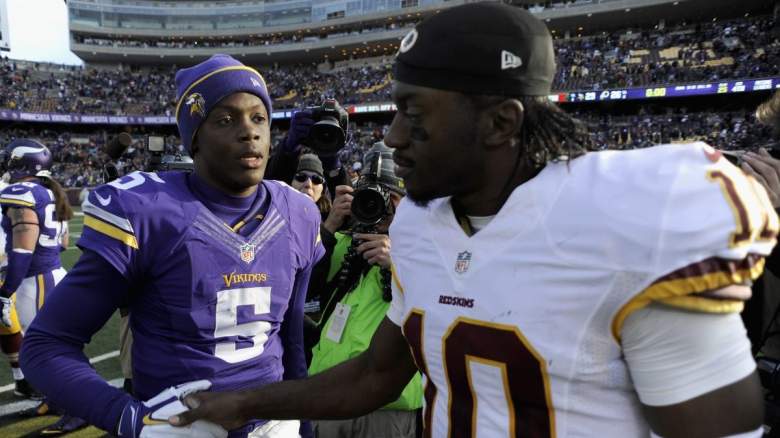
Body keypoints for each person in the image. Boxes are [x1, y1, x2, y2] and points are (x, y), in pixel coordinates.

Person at [171, 5, 770, 438]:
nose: (393, 137)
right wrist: (244, 401)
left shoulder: (624, 219)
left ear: (499, 124)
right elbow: (374, 376)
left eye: (414, 113)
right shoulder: (419, 227)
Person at [20, 54, 323, 438]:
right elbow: (46, 345)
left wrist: (306, 426)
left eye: (258, 117)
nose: (250, 132)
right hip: (180, 426)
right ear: (193, 138)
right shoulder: (150, 211)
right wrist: (131, 419)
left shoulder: (298, 213)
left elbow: (291, 342)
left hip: (273, 425)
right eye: (225, 120)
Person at [307, 142, 421, 438]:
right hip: (328, 402)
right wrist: (331, 224)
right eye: (367, 195)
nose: (377, 206)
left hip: (386, 411)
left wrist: (397, 264)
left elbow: (445, 301)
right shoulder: (344, 244)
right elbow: (301, 284)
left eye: (388, 197)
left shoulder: (425, 252)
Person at [0, 139, 81, 433]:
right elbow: (64, 242)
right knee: (45, 347)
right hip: (50, 274)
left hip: (36, 281)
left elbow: (23, 249)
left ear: (21, 163)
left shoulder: (23, 193)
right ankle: (56, 399)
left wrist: (5, 290)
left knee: (49, 350)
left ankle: (76, 407)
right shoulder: (48, 191)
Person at [291, 153, 331, 219]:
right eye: (301, 177)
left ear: (322, 191)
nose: (308, 184)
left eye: (317, 179)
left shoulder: (329, 220)